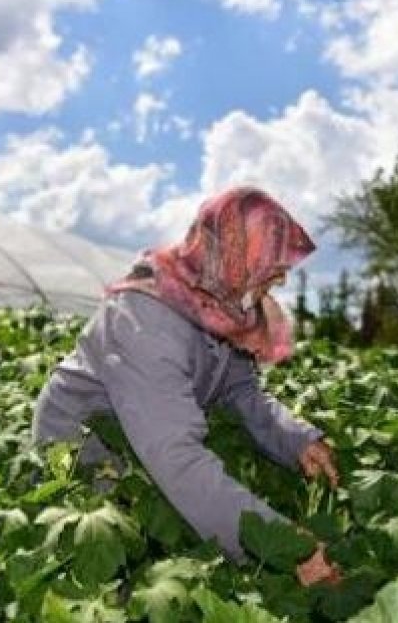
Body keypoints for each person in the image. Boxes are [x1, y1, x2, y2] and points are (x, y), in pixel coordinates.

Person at [31, 186, 342, 587]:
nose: (280, 276)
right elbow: (177, 456)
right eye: (268, 260)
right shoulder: (146, 318)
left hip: (144, 447)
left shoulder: (227, 309)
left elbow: (242, 392)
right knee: (103, 577)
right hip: (82, 450)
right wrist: (290, 547)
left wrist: (298, 440)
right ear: (230, 255)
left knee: (158, 539)